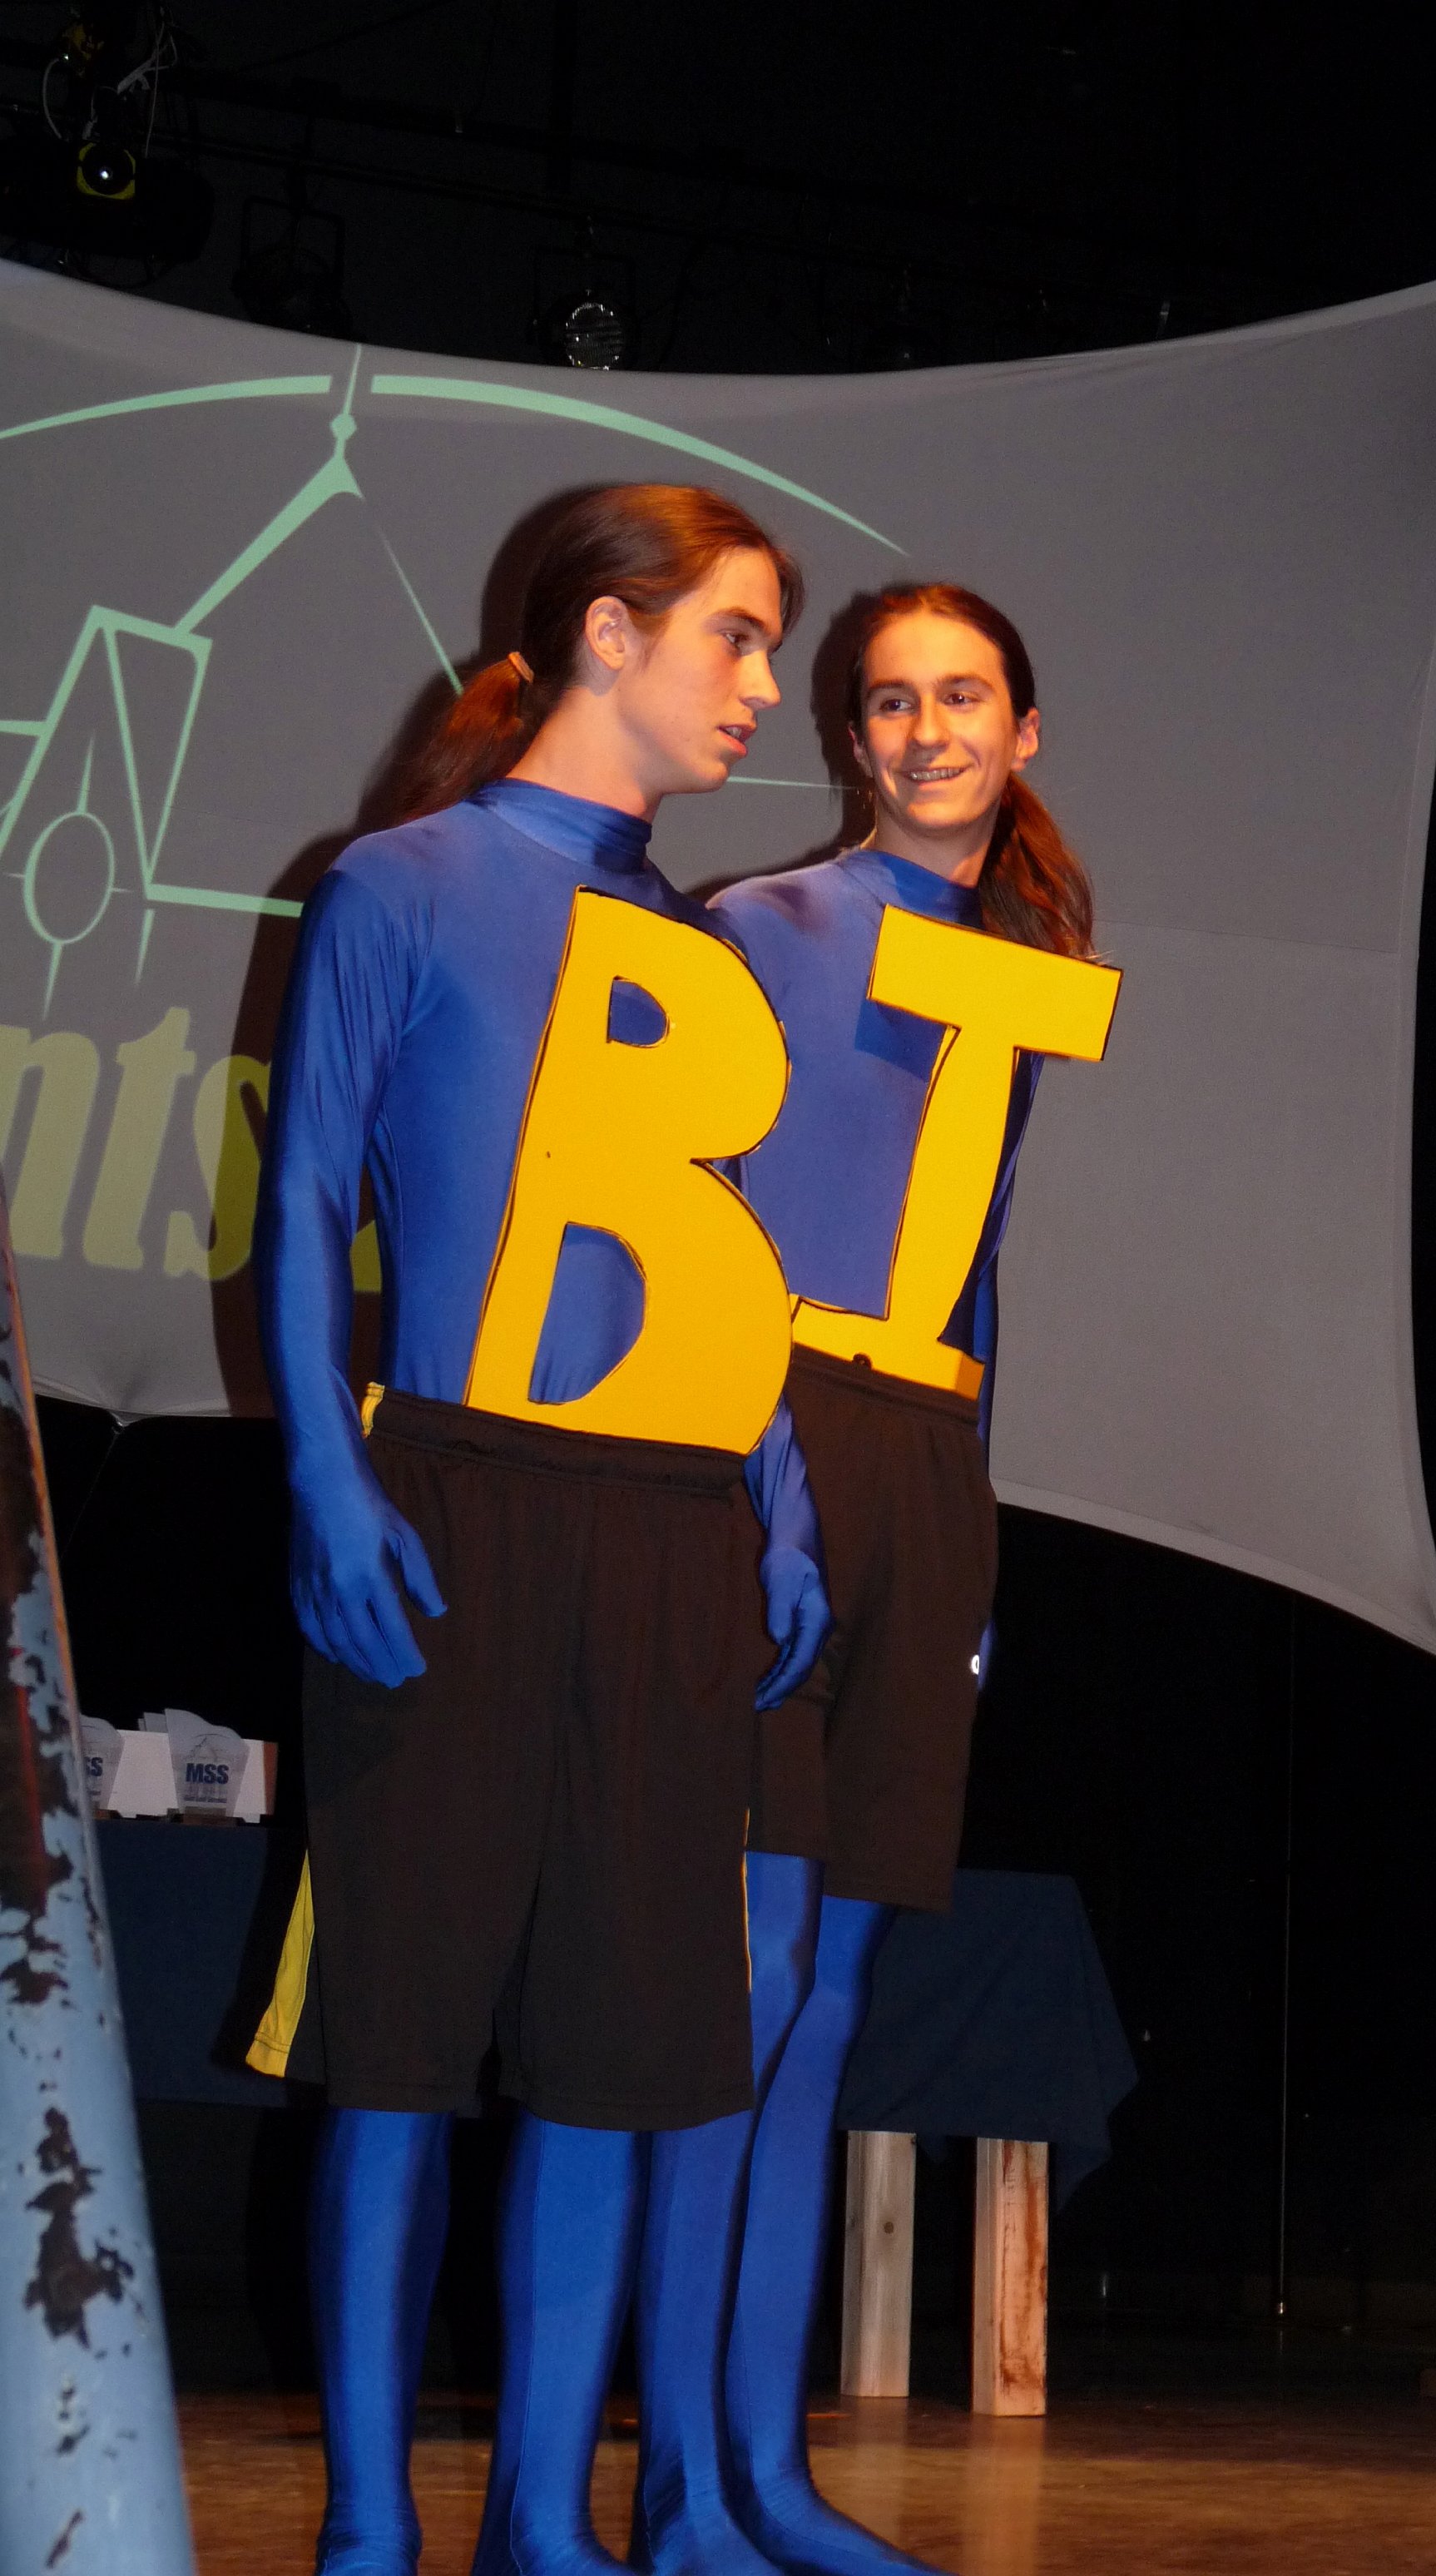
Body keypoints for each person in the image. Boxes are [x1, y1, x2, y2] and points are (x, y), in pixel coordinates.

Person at [250, 483, 833, 2576]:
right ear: (609, 632)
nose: (763, 687)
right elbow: (305, 1195)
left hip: (673, 1526)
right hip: (455, 1500)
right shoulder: (397, 884)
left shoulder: (698, 951)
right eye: (736, 636)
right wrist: (327, 1472)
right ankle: (366, 2530)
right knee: (399, 2044)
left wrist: (775, 1501)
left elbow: (727, 1260)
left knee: (613, 2053)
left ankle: (545, 2525)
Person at [626, 586, 1117, 2576]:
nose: (927, 731)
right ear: (852, 738)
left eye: (962, 696)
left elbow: (969, 1261)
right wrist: (753, 1474)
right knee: (739, 1984)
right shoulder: (758, 929)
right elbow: (686, 1227)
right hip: (766, 1434)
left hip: (930, 1461)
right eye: (891, 702)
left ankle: (767, 2473)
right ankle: (682, 2486)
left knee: (828, 2004)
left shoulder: (1027, 969)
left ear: (1025, 728)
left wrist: (967, 1532)